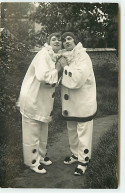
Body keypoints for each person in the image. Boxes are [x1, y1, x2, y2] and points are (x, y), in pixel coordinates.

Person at [17, 32, 62, 174]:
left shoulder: (52, 56)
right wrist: (59, 69)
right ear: (48, 43)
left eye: (59, 40)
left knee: (43, 129)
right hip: (32, 98)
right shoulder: (43, 54)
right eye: (53, 39)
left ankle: (40, 156)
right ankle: (31, 162)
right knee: (32, 131)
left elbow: (53, 80)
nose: (57, 41)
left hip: (42, 99)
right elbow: (43, 76)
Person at [57, 32, 97, 176]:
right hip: (71, 103)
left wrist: (65, 67)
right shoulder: (68, 56)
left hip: (83, 102)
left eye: (69, 39)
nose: (66, 41)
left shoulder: (82, 56)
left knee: (83, 132)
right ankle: (75, 154)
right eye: (64, 40)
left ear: (76, 41)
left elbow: (78, 78)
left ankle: (84, 160)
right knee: (72, 130)